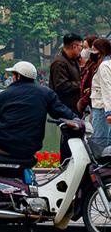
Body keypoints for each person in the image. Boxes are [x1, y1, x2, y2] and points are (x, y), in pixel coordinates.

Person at [0, 61, 80, 159]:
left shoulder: (4, 95)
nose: (12, 77)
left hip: (2, 144)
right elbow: (62, 112)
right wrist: (79, 120)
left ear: (18, 76)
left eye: (13, 75)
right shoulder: (46, 93)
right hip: (30, 147)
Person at [50, 33, 84, 161]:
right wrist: (81, 84)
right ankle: (65, 166)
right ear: (74, 46)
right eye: (80, 47)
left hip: (74, 107)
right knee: (68, 140)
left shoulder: (73, 60)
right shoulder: (60, 63)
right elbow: (61, 86)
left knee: (75, 138)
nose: (81, 49)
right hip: (66, 108)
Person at [88, 38, 111, 154]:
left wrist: (108, 112)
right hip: (103, 108)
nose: (91, 53)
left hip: (102, 109)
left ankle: (100, 169)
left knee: (99, 142)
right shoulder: (106, 64)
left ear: (101, 51)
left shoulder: (104, 66)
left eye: (93, 50)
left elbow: (107, 89)